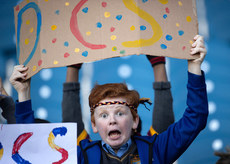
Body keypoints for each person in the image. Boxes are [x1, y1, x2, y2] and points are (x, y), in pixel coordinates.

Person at [11, 35, 208, 163]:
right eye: (103, 115)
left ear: (135, 121)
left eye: (120, 113)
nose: (112, 119)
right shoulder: (83, 156)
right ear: (94, 125)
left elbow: (196, 117)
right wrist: (23, 93)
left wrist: (194, 66)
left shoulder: (155, 149)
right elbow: (29, 149)